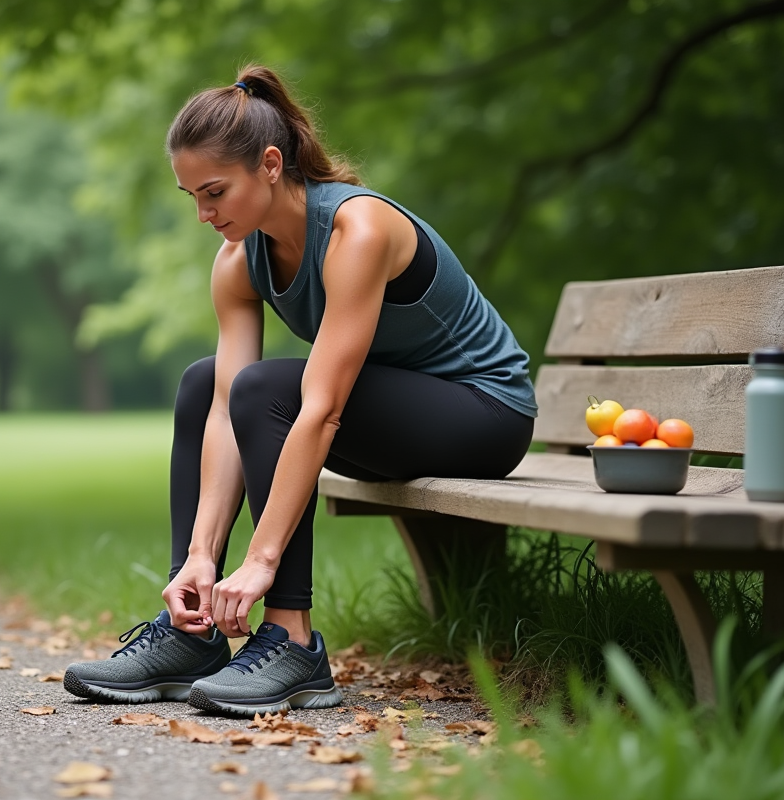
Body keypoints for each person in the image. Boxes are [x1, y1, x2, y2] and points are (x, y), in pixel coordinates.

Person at [63, 65, 537, 717]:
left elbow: (322, 409)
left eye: (215, 192)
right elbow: (228, 407)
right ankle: (189, 626)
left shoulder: (356, 230)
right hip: (395, 414)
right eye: (191, 197)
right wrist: (202, 556)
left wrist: (260, 562)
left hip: (484, 412)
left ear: (269, 163)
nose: (204, 215)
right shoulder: (237, 262)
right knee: (206, 383)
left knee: (270, 388)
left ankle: (292, 639)